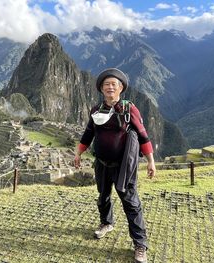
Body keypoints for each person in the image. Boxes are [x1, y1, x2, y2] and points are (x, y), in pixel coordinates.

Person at [74, 68, 156, 263]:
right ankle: (106, 223)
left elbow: (143, 135)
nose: (110, 87)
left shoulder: (129, 110)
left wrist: (151, 161)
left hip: (123, 167)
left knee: (131, 203)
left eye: (114, 84)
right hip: (101, 164)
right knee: (103, 197)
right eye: (106, 84)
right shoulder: (96, 110)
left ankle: (140, 244)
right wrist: (78, 153)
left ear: (121, 88)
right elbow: (88, 134)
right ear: (102, 89)